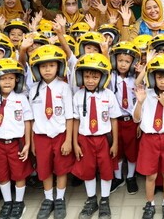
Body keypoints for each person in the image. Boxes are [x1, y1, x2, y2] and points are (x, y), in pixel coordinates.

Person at [0, 58, 33, 219]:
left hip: (17, 143)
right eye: (3, 78)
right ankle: (7, 202)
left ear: (17, 79)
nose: (7, 82)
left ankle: (18, 202)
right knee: (1, 175)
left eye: (11, 78)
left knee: (19, 174)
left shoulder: (21, 99)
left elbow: (27, 121)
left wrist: (28, 144)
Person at [133, 54, 164, 219]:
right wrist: (139, 102)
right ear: (153, 77)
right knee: (151, 174)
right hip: (150, 139)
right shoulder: (145, 94)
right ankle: (150, 203)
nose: (163, 81)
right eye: (159, 77)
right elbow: (136, 118)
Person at [28, 44, 75, 219]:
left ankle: (60, 198)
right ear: (37, 68)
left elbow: (69, 116)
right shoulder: (33, 90)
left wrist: (68, 140)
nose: (47, 70)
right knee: (44, 168)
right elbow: (31, 119)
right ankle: (48, 199)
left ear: (59, 66)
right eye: (43, 66)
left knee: (61, 168)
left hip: (60, 134)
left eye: (51, 65)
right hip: (41, 136)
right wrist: (32, 142)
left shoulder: (64, 88)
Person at [72, 53, 120, 219]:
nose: (90, 80)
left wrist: (115, 143)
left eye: (94, 76)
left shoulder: (108, 95)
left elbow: (114, 120)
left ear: (102, 77)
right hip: (85, 139)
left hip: (104, 139)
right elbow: (76, 121)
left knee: (106, 170)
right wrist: (75, 143)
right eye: (86, 76)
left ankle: (105, 200)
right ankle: (91, 199)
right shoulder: (77, 96)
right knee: (88, 170)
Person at [107, 42, 141, 195]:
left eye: (127, 61)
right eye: (120, 60)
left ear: (132, 63)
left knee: (131, 150)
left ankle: (130, 177)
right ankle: (118, 177)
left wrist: (143, 70)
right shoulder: (111, 76)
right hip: (115, 120)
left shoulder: (134, 79)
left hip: (130, 121)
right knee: (117, 150)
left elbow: (140, 90)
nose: (123, 64)